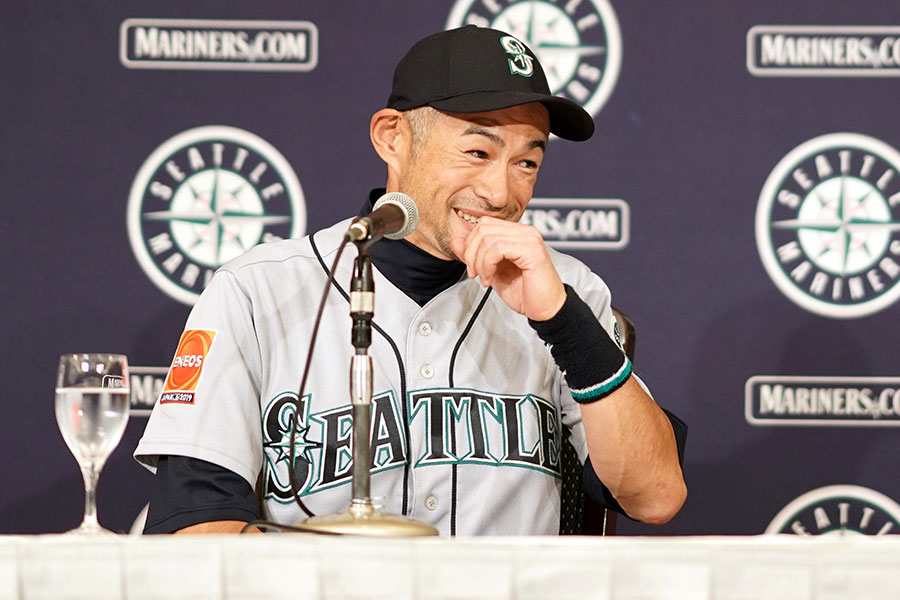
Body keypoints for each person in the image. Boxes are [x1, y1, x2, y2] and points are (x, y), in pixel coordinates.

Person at [134, 25, 687, 536]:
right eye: (477, 151)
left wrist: (564, 322)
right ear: (392, 137)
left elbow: (656, 496)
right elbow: (199, 529)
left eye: (527, 162)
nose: (501, 193)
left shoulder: (567, 290)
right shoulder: (258, 291)